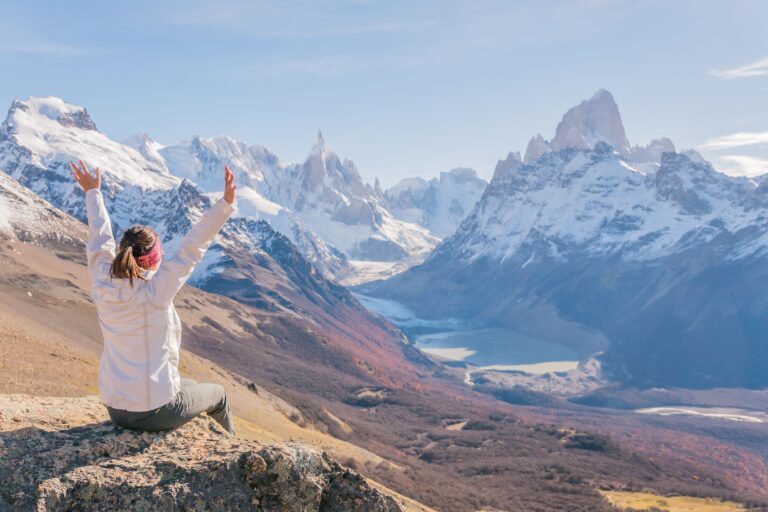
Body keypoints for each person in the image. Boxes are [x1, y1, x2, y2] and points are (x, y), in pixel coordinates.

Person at [71, 159, 238, 435]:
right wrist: (225, 205)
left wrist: (93, 193)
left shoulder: (102, 280)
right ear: (154, 259)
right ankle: (235, 456)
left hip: (116, 408)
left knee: (193, 386)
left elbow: (100, 239)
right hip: (153, 412)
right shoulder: (155, 292)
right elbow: (191, 248)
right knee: (218, 395)